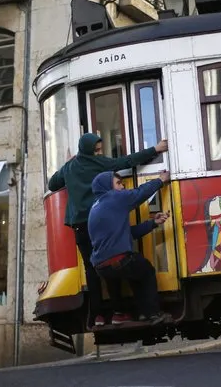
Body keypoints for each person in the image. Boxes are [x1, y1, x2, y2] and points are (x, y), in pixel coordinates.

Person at [48, 133, 168, 328]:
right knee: (112, 260)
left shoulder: (70, 167)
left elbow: (52, 184)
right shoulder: (99, 164)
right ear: (89, 150)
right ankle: (119, 311)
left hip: (79, 225)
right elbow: (127, 161)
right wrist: (155, 150)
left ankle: (97, 315)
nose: (99, 152)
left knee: (93, 270)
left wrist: (67, 165)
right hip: (100, 221)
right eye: (96, 150)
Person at [88, 170, 172, 325]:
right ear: (107, 186)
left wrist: (153, 223)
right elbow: (140, 193)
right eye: (118, 183)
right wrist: (161, 180)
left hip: (101, 267)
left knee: (135, 273)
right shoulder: (114, 197)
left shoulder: (95, 207)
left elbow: (126, 233)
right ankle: (153, 314)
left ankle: (142, 314)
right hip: (118, 260)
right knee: (146, 271)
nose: (122, 187)